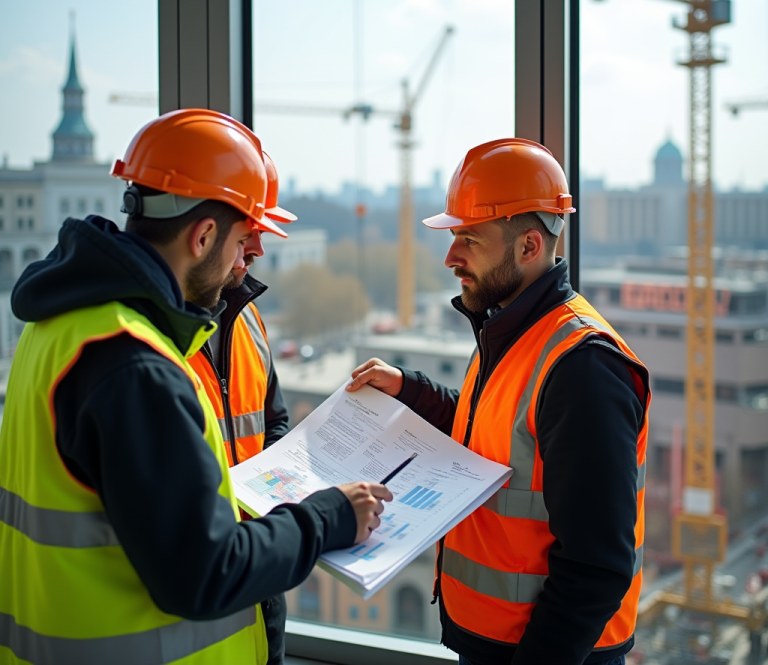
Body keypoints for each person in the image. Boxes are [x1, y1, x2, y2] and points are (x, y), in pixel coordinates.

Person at [0, 108, 391, 665]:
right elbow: (204, 572)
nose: (248, 256)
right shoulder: (136, 364)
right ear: (203, 234)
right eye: (242, 239)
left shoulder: (57, 325)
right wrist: (330, 518)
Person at [348, 138, 650, 665]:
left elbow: (597, 567)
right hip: (493, 643)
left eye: (468, 238)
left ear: (529, 246)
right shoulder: (511, 331)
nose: (450, 257)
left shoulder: (584, 366)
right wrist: (409, 388)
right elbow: (486, 431)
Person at [187, 148, 297, 665]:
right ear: (202, 234)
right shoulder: (145, 349)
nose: (258, 246)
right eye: (248, 229)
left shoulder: (245, 316)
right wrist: (325, 519)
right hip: (206, 591)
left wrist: (275, 489)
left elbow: (272, 419)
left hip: (258, 572)